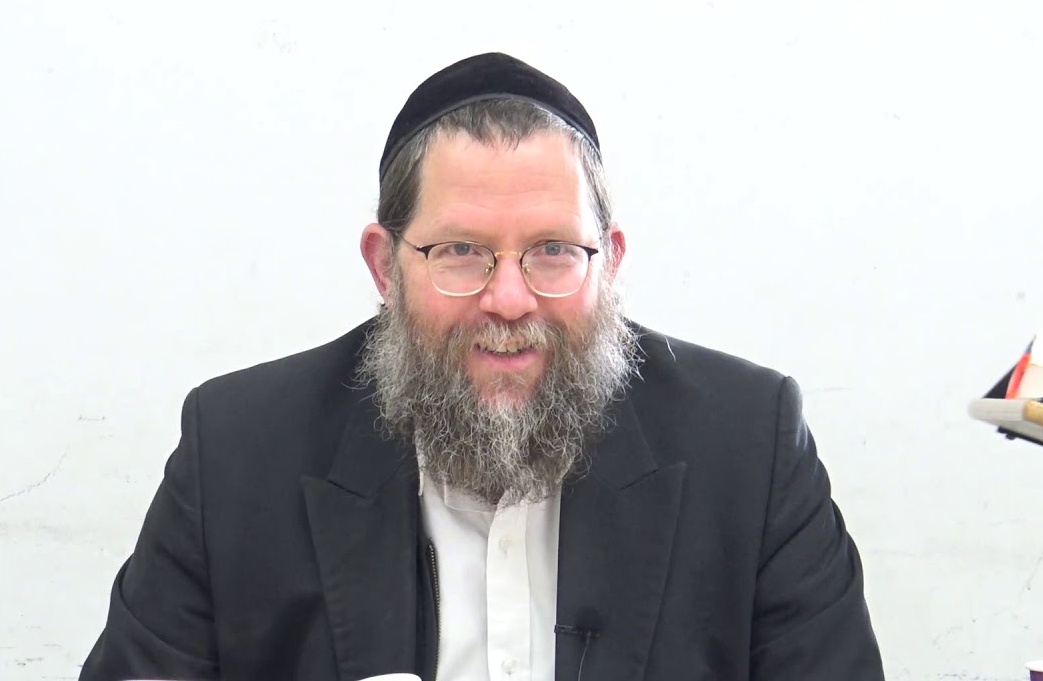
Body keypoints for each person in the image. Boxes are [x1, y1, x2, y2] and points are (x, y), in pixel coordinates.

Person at [79, 52, 884, 681]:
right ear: (385, 267)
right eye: (461, 251)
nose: (508, 298)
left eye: (552, 251)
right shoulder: (237, 453)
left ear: (609, 263)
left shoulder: (749, 448)